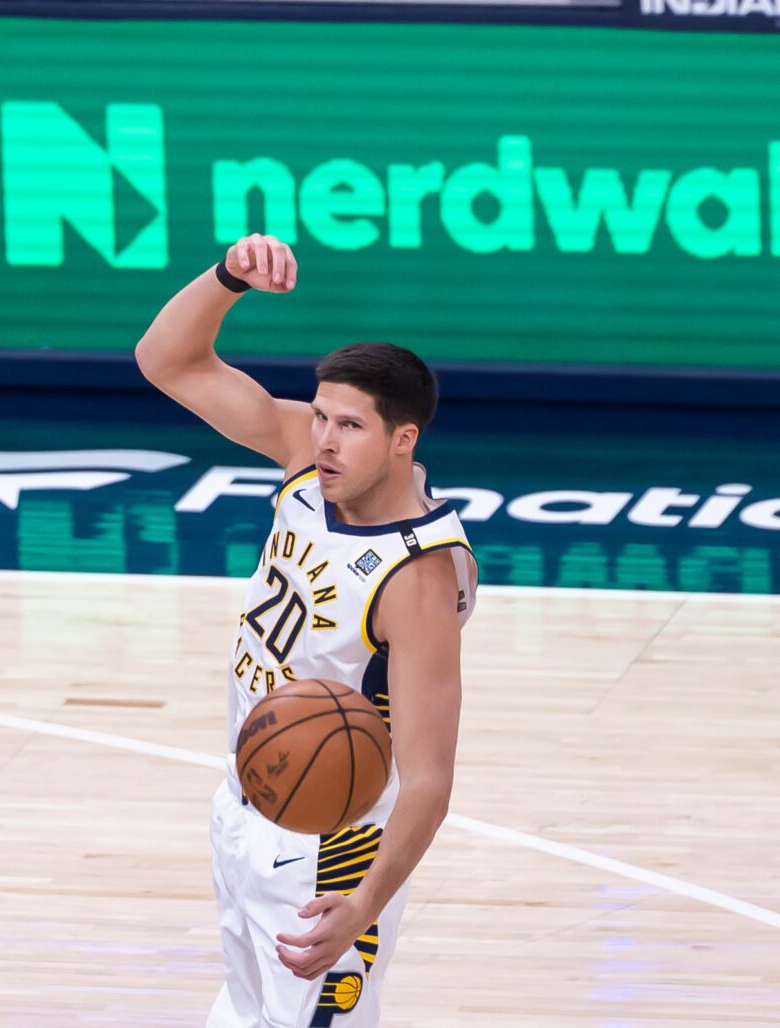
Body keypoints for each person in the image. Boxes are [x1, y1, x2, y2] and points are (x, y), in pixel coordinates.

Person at [136, 235, 477, 1027]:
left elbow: (429, 780)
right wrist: (227, 277)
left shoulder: (417, 579)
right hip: (244, 799)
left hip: (330, 846)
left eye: (350, 425)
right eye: (320, 415)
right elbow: (166, 362)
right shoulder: (304, 460)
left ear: (403, 439)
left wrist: (363, 905)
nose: (324, 438)